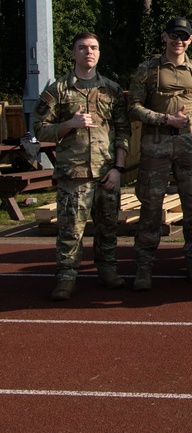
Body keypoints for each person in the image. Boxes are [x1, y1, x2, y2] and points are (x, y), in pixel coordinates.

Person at [34, 32, 131, 301]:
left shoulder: (111, 89)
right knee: (70, 230)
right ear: (74, 52)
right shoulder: (58, 90)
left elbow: (123, 130)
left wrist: (118, 168)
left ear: (99, 53)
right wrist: (68, 125)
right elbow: (39, 131)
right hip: (73, 174)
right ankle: (66, 277)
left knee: (108, 227)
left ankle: (108, 271)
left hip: (106, 172)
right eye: (83, 47)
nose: (89, 52)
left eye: (94, 48)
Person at [129, 16, 192, 291]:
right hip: (156, 145)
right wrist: (165, 119)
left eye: (184, 37)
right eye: (174, 36)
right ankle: (144, 268)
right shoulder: (148, 69)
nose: (179, 41)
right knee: (151, 207)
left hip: (189, 147)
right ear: (164, 37)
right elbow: (133, 106)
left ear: (190, 39)